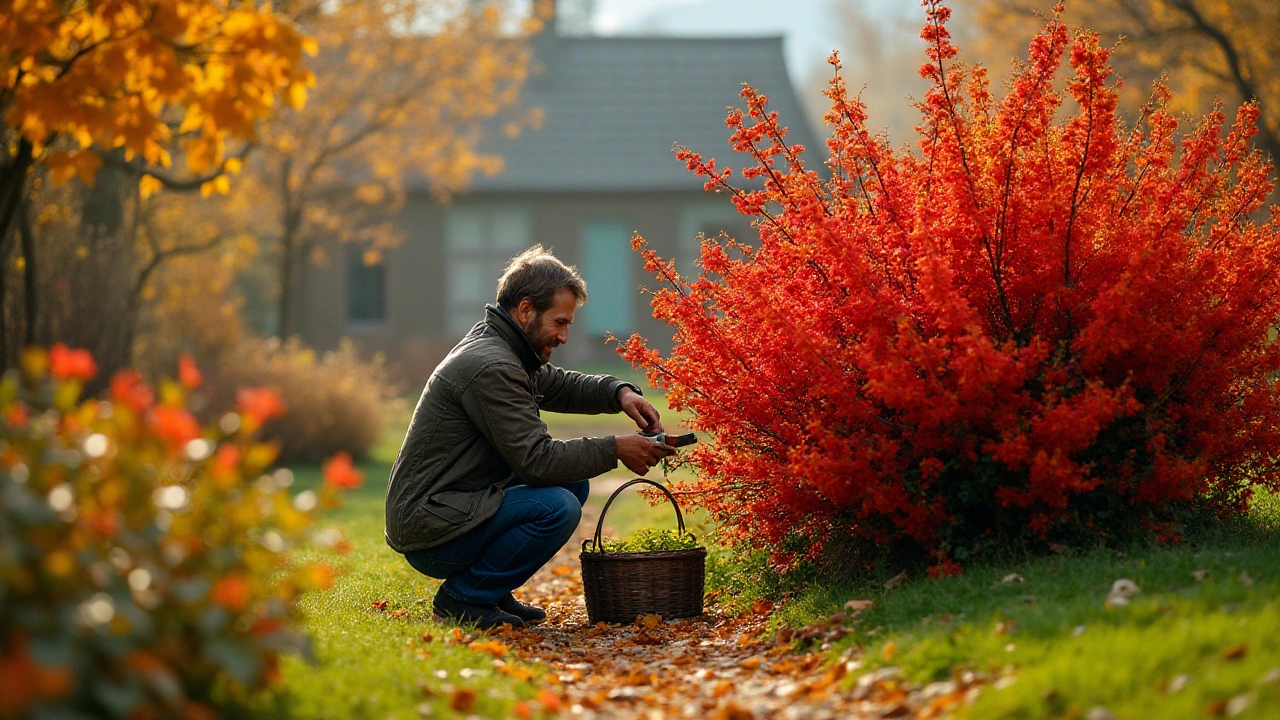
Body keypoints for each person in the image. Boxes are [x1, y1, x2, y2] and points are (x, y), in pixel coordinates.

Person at [384, 245, 675, 629]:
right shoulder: (492, 364)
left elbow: (560, 386)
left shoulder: (504, 346)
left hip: (449, 507)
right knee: (558, 506)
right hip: (432, 530)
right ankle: (464, 599)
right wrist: (616, 449)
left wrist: (619, 392)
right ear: (525, 310)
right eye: (559, 322)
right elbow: (538, 461)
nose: (565, 336)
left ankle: (491, 591)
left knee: (571, 483)